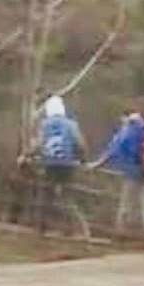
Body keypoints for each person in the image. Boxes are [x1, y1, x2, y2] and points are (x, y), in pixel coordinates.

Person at [89, 110, 144, 238]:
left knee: (127, 200)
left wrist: (97, 164)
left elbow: (113, 150)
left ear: (125, 117)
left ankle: (121, 228)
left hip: (133, 171)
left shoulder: (127, 130)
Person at [32, 94, 87, 233]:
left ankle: (42, 226)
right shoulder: (71, 124)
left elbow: (39, 143)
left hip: (49, 162)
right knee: (66, 195)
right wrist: (82, 158)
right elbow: (79, 143)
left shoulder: (44, 125)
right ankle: (68, 228)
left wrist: (30, 154)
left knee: (46, 194)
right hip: (67, 163)